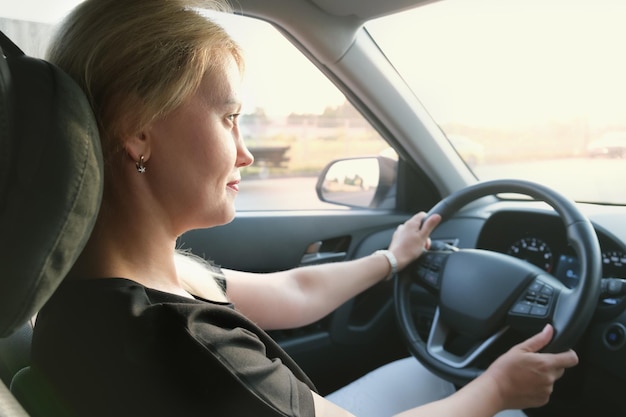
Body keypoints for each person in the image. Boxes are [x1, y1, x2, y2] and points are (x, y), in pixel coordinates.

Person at [31, 0, 579, 416]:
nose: (245, 152)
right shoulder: (188, 341)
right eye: (229, 117)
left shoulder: (123, 286)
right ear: (137, 129)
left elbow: (296, 292)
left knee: (429, 374)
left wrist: (392, 258)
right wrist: (501, 387)